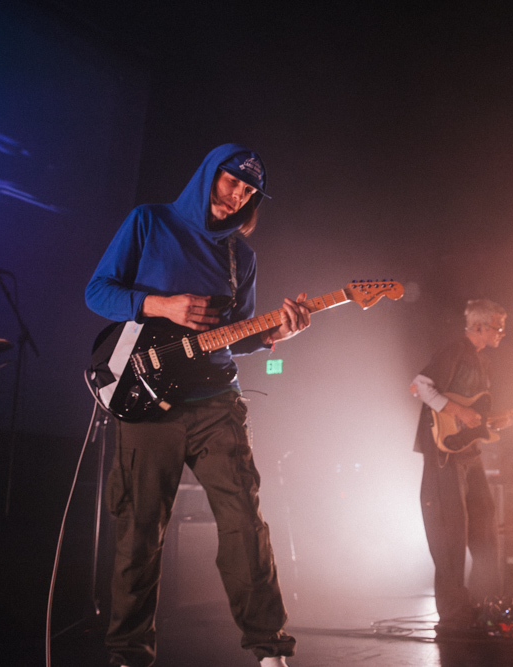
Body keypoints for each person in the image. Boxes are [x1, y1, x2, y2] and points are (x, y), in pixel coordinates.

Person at [85, 143, 308, 667]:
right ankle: (128, 655)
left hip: (216, 404)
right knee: (140, 530)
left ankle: (270, 652)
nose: (238, 195)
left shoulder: (242, 256)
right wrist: (160, 304)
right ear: (210, 174)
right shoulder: (149, 222)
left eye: (249, 191)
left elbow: (238, 336)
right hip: (148, 399)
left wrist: (277, 332)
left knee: (244, 524)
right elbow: (98, 292)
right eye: (232, 182)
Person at [409, 298, 513, 635]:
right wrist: (458, 411)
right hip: (444, 454)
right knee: (449, 532)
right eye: (498, 327)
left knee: (484, 524)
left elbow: (475, 413)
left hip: (468, 453)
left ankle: (487, 599)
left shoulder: (481, 361)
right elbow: (420, 386)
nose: (502, 334)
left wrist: (492, 423)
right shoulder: (454, 350)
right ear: (481, 327)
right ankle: (454, 612)